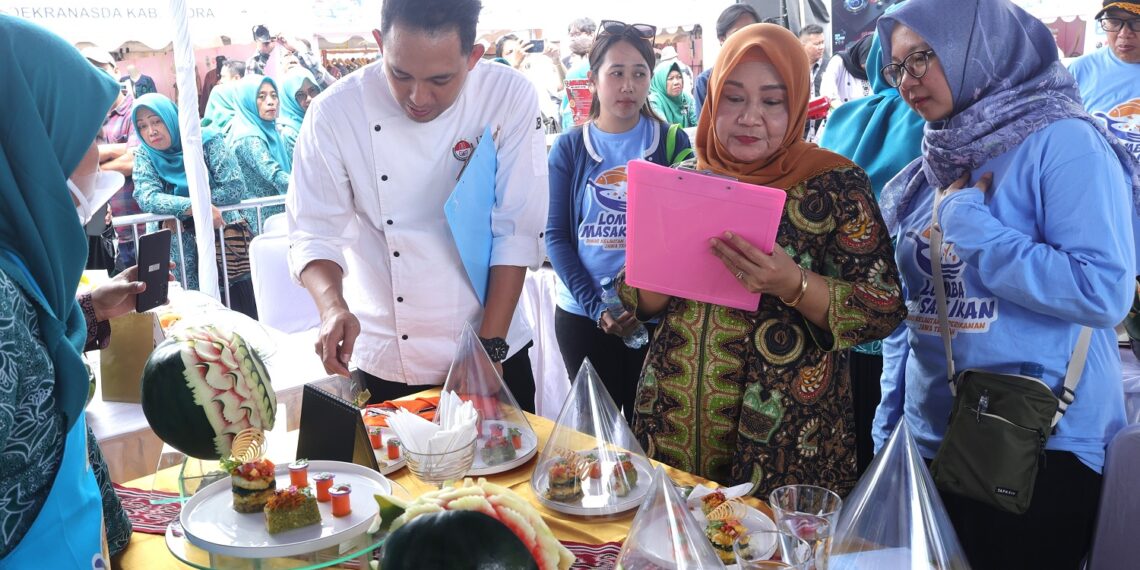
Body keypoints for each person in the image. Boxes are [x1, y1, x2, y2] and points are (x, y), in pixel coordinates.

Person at [871, 1, 1138, 567]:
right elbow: (914, 303)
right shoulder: (940, 155)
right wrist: (888, 423)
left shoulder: (1064, 141)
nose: (909, 80)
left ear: (979, 45)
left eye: (924, 55)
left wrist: (972, 226)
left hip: (1037, 442)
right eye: (898, 67)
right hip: (932, 439)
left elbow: (1102, 290)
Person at [619, 23, 906, 498]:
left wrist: (793, 283)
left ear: (795, 104)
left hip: (786, 440)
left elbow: (882, 306)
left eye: (772, 102)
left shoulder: (835, 185)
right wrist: (665, 271)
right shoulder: (683, 178)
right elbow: (637, 294)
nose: (750, 117)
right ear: (711, 100)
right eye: (733, 98)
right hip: (673, 423)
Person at [286, 0, 548, 412]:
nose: (417, 97)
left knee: (506, 473)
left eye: (440, 79)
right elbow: (314, 230)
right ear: (379, 44)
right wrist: (332, 307)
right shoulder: (335, 112)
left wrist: (489, 348)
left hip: (492, 339)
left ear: (474, 57)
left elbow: (515, 232)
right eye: (400, 73)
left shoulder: (508, 96)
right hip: (386, 355)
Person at [0, 15, 161, 565]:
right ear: (28, 139)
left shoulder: (15, 264)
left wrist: (88, 310)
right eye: (87, 136)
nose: (99, 156)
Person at [547, 21, 691, 424]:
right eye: (616, 73)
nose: (628, 85)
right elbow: (557, 238)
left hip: (656, 318)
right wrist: (597, 308)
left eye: (639, 73)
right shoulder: (571, 147)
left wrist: (648, 305)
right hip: (583, 316)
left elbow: (685, 234)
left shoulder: (671, 143)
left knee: (653, 434)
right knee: (598, 437)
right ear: (593, 80)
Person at [818, 29, 925, 475]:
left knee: (847, 436)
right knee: (890, 439)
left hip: (831, 307)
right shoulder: (931, 119)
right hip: (905, 305)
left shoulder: (844, 119)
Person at [131, 93, 258, 318]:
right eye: (142, 126)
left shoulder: (204, 141)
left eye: (157, 121)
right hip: (173, 249)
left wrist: (174, 208)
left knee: (229, 310)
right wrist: (191, 206)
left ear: (171, 117)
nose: (151, 131)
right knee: (185, 313)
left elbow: (234, 186)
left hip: (220, 239)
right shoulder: (145, 154)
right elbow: (146, 196)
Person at [1069, 0, 1140, 272]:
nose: (1124, 33)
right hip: (1096, 220)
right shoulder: (1079, 71)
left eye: (1136, 22)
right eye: (1113, 22)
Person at [228, 75, 291, 232]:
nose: (270, 101)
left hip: (276, 215)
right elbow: (274, 174)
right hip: (263, 221)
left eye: (274, 95)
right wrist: (308, 186)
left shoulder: (269, 130)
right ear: (247, 100)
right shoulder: (250, 137)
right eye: (261, 97)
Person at [695, 3, 761, 117]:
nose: (747, 39)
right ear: (722, 39)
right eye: (738, 33)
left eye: (752, 32)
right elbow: (705, 130)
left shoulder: (772, 75)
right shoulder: (706, 81)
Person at [819, 34, 873, 110]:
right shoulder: (839, 61)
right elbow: (827, 90)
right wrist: (843, 111)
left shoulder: (876, 70)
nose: (868, 68)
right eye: (865, 62)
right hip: (840, 115)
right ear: (861, 52)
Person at [278, 68, 322, 157]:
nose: (309, 98)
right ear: (289, 99)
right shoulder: (291, 134)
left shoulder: (320, 120)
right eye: (300, 95)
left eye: (312, 90)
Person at [648, 60, 698, 128]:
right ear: (660, 82)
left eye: (679, 77)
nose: (676, 82)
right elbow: (664, 130)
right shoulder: (654, 102)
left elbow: (698, 123)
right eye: (670, 78)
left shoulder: (686, 98)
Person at [799, 23, 827, 96]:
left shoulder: (830, 66)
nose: (821, 47)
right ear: (803, 45)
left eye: (823, 42)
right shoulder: (794, 68)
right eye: (817, 44)